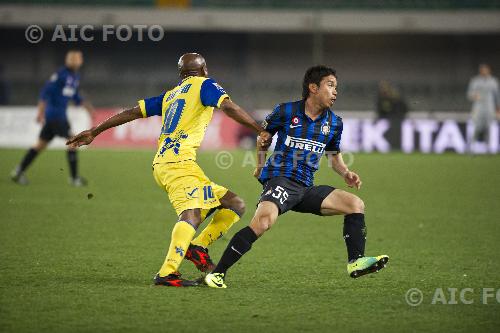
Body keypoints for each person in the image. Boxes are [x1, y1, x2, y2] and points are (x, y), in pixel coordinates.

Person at [66, 53, 272, 287]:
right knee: (191, 213)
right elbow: (228, 107)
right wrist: (258, 128)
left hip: (173, 163)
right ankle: (167, 273)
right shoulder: (205, 84)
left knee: (234, 204)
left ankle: (197, 247)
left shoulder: (170, 96)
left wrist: (95, 130)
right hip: (177, 165)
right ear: (204, 70)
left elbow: (132, 112)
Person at [205, 65, 388, 289]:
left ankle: (356, 261)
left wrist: (346, 172)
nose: (335, 92)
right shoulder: (285, 111)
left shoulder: (334, 123)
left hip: (305, 188)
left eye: (336, 87)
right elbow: (264, 137)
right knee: (263, 222)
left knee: (355, 204)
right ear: (313, 88)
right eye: (330, 85)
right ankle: (217, 274)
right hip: (281, 179)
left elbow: (334, 156)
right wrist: (260, 165)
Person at [11, 50, 94, 186]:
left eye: (78, 58)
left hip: (58, 116)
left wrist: (89, 108)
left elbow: (75, 96)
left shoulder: (75, 76)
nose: (77, 61)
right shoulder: (60, 75)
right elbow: (45, 92)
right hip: (56, 116)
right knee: (73, 141)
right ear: (69, 60)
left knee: (40, 145)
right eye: (74, 58)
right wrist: (40, 112)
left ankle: (18, 171)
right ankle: (74, 179)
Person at [467, 64, 500, 150]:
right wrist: (475, 96)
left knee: (488, 128)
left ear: (489, 70)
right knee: (477, 128)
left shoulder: (493, 81)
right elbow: (469, 94)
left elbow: (497, 96)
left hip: (489, 108)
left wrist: (498, 109)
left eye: (486, 70)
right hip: (478, 108)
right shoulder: (475, 81)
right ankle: (471, 147)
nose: (484, 71)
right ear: (480, 71)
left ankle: (488, 148)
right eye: (483, 70)